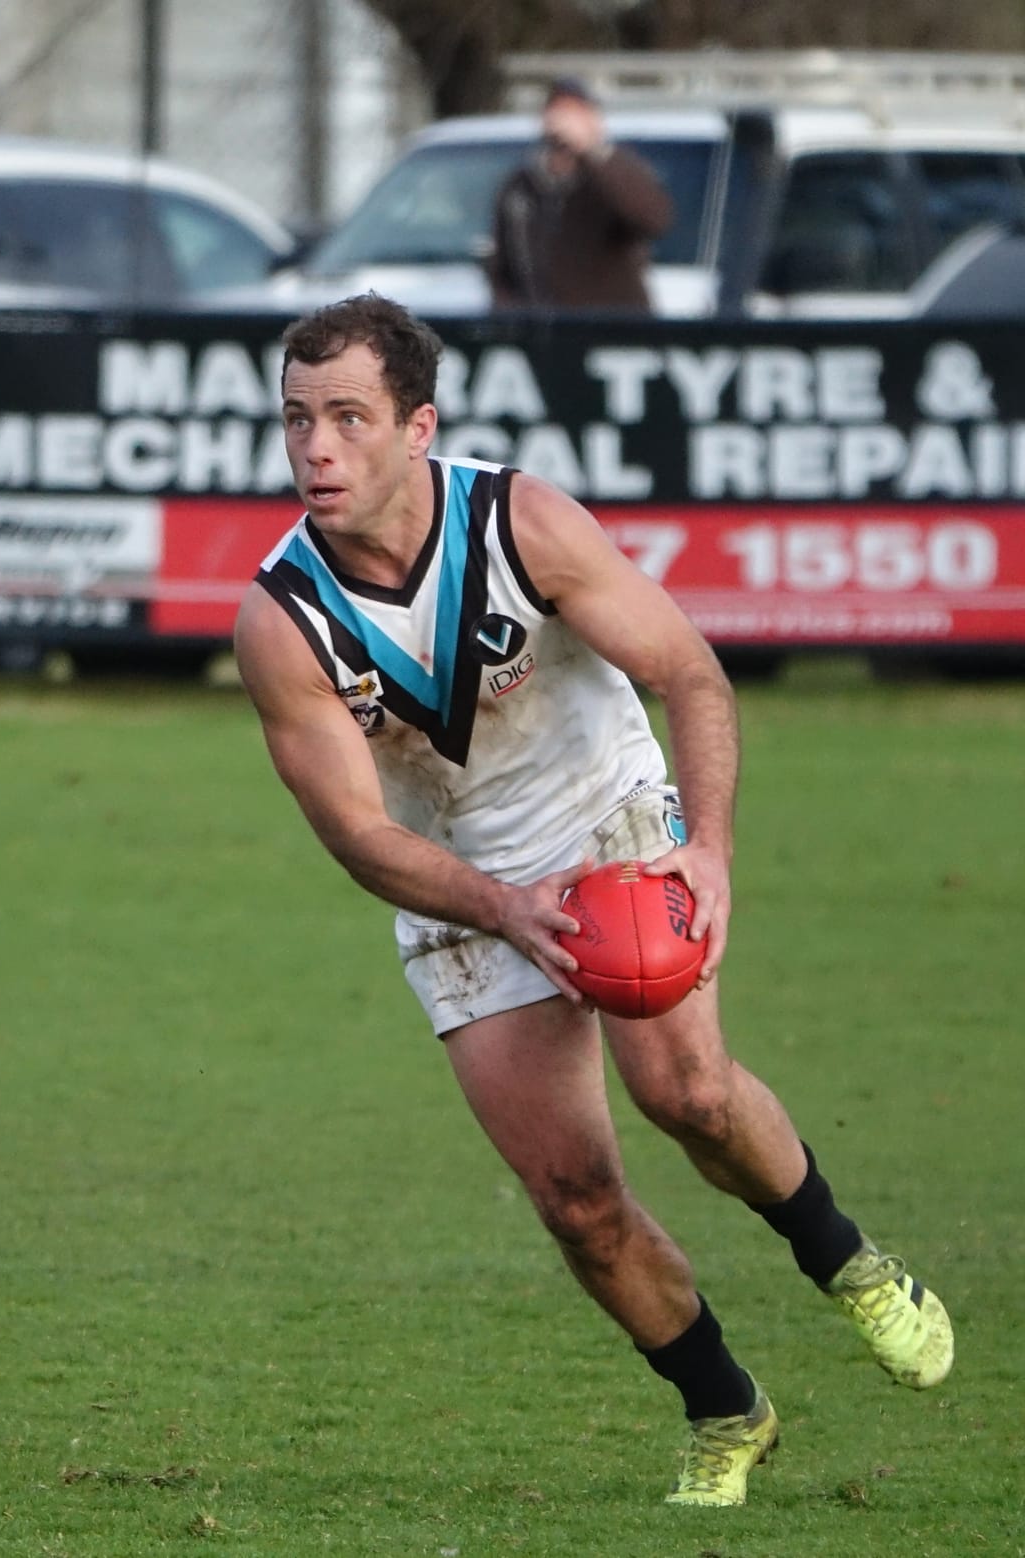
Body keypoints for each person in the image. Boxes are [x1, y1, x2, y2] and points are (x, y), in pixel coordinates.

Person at [234, 293, 953, 1507]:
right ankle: (723, 1409)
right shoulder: (280, 619)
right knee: (572, 1200)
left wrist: (706, 848)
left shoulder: (519, 524)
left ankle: (846, 1261)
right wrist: (501, 905)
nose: (316, 448)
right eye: (296, 419)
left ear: (417, 426)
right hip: (460, 884)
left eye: (347, 418)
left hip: (605, 819)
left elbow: (688, 673)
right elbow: (358, 836)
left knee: (686, 1093)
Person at [486, 77, 672, 313]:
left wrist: (590, 151)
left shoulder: (614, 175)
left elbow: (654, 220)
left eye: (574, 113)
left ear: (593, 120)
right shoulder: (520, 186)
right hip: (541, 327)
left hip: (612, 327)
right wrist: (509, 313)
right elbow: (501, 265)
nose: (563, 122)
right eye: (557, 111)